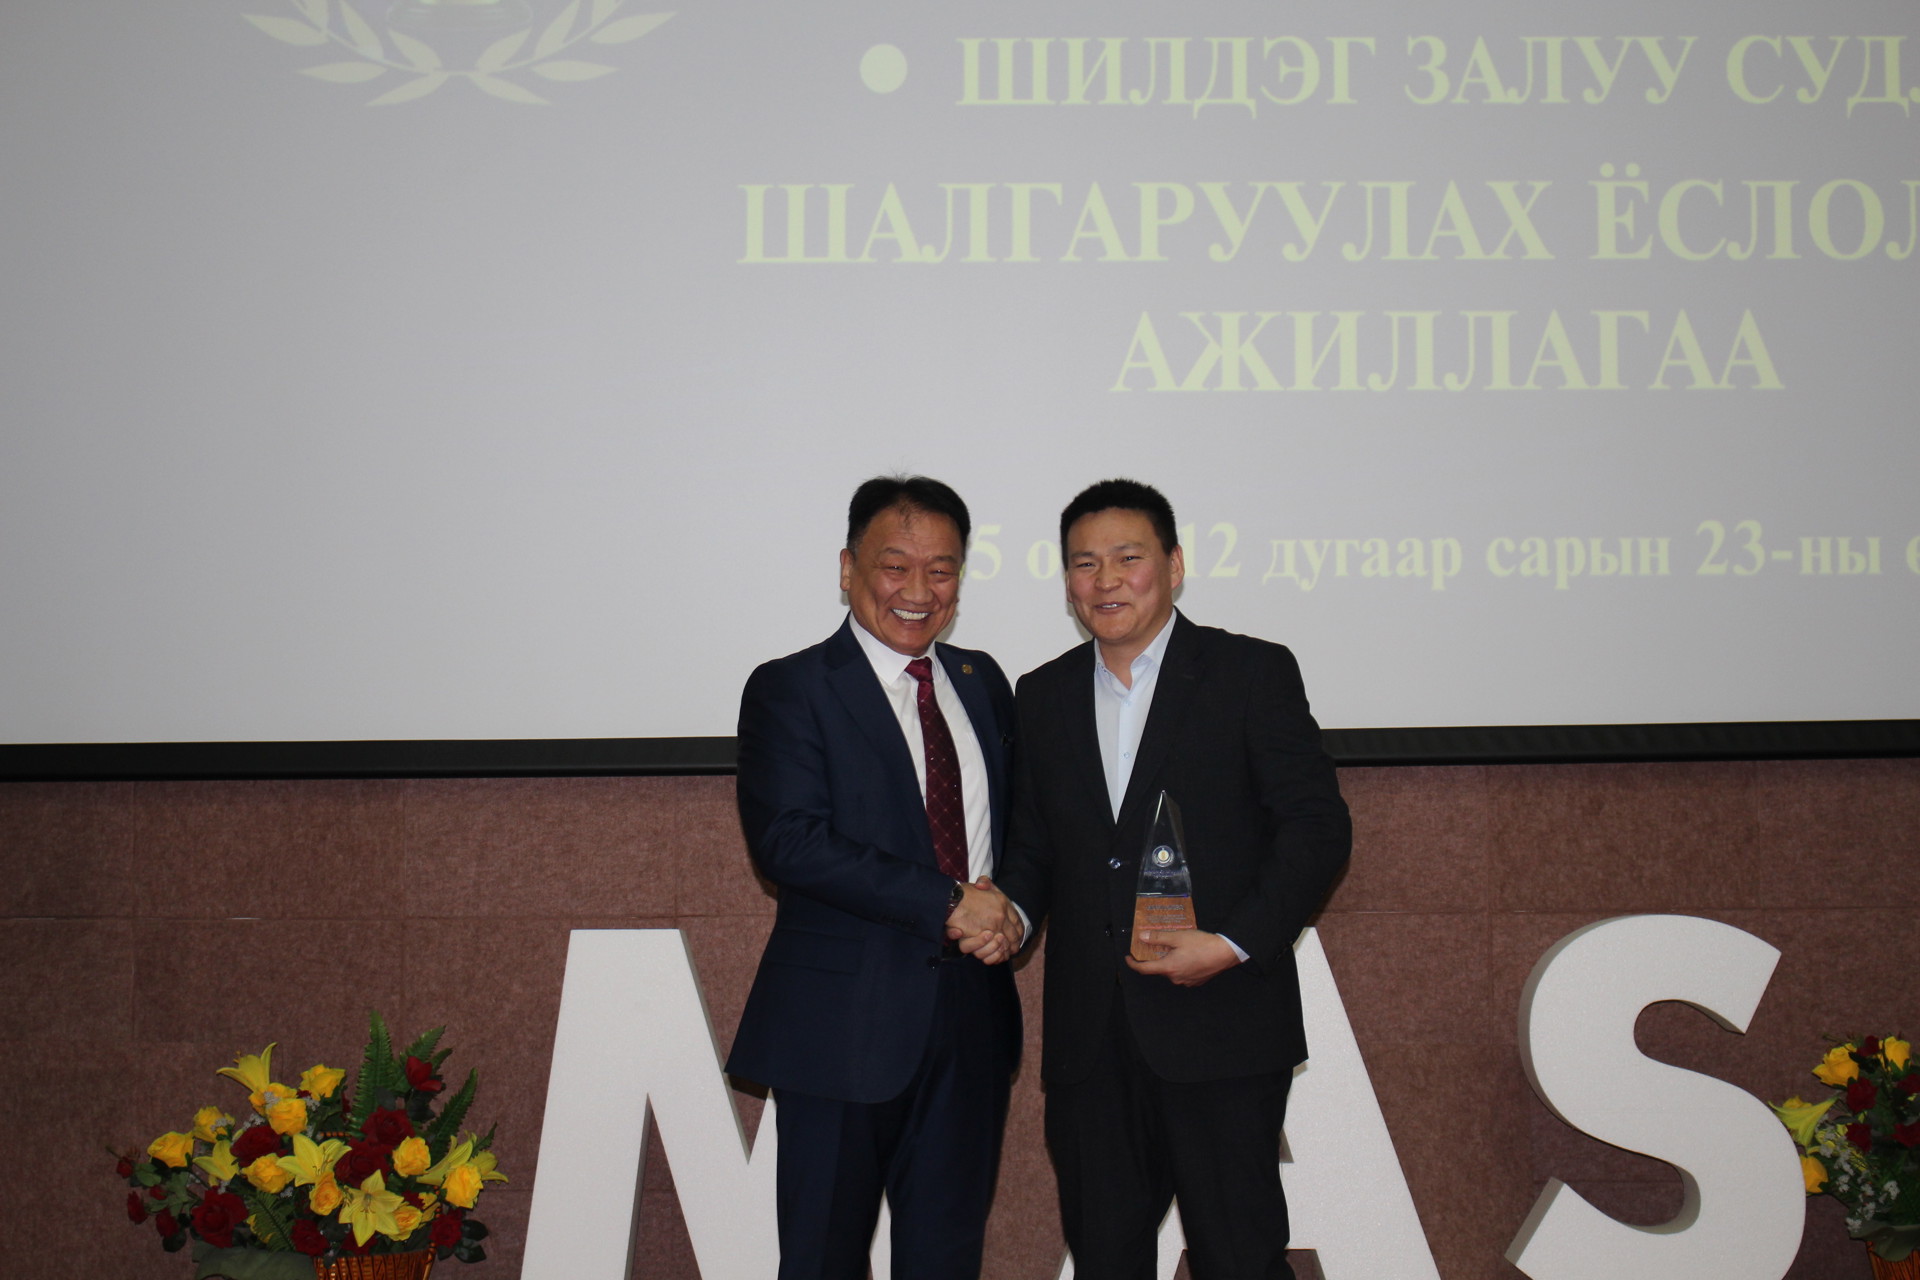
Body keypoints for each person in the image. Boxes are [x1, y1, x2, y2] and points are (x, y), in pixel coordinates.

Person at [995, 478, 1351, 1280]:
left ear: (1175, 565)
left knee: (1239, 1258)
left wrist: (1233, 943)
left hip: (1222, 1023)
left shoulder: (1249, 672)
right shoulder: (1042, 695)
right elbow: (1036, 847)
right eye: (1084, 563)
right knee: (1105, 1261)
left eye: (1128, 558)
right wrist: (1009, 911)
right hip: (1092, 1043)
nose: (1106, 580)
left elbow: (1317, 828)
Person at [727, 475, 1026, 1280]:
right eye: (895, 566)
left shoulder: (983, 682)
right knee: (823, 1260)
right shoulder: (792, 687)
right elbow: (789, 842)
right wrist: (950, 902)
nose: (919, 591)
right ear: (847, 567)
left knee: (947, 1261)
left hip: (971, 1023)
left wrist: (1013, 914)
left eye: (942, 569)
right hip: (841, 1027)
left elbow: (1019, 831)